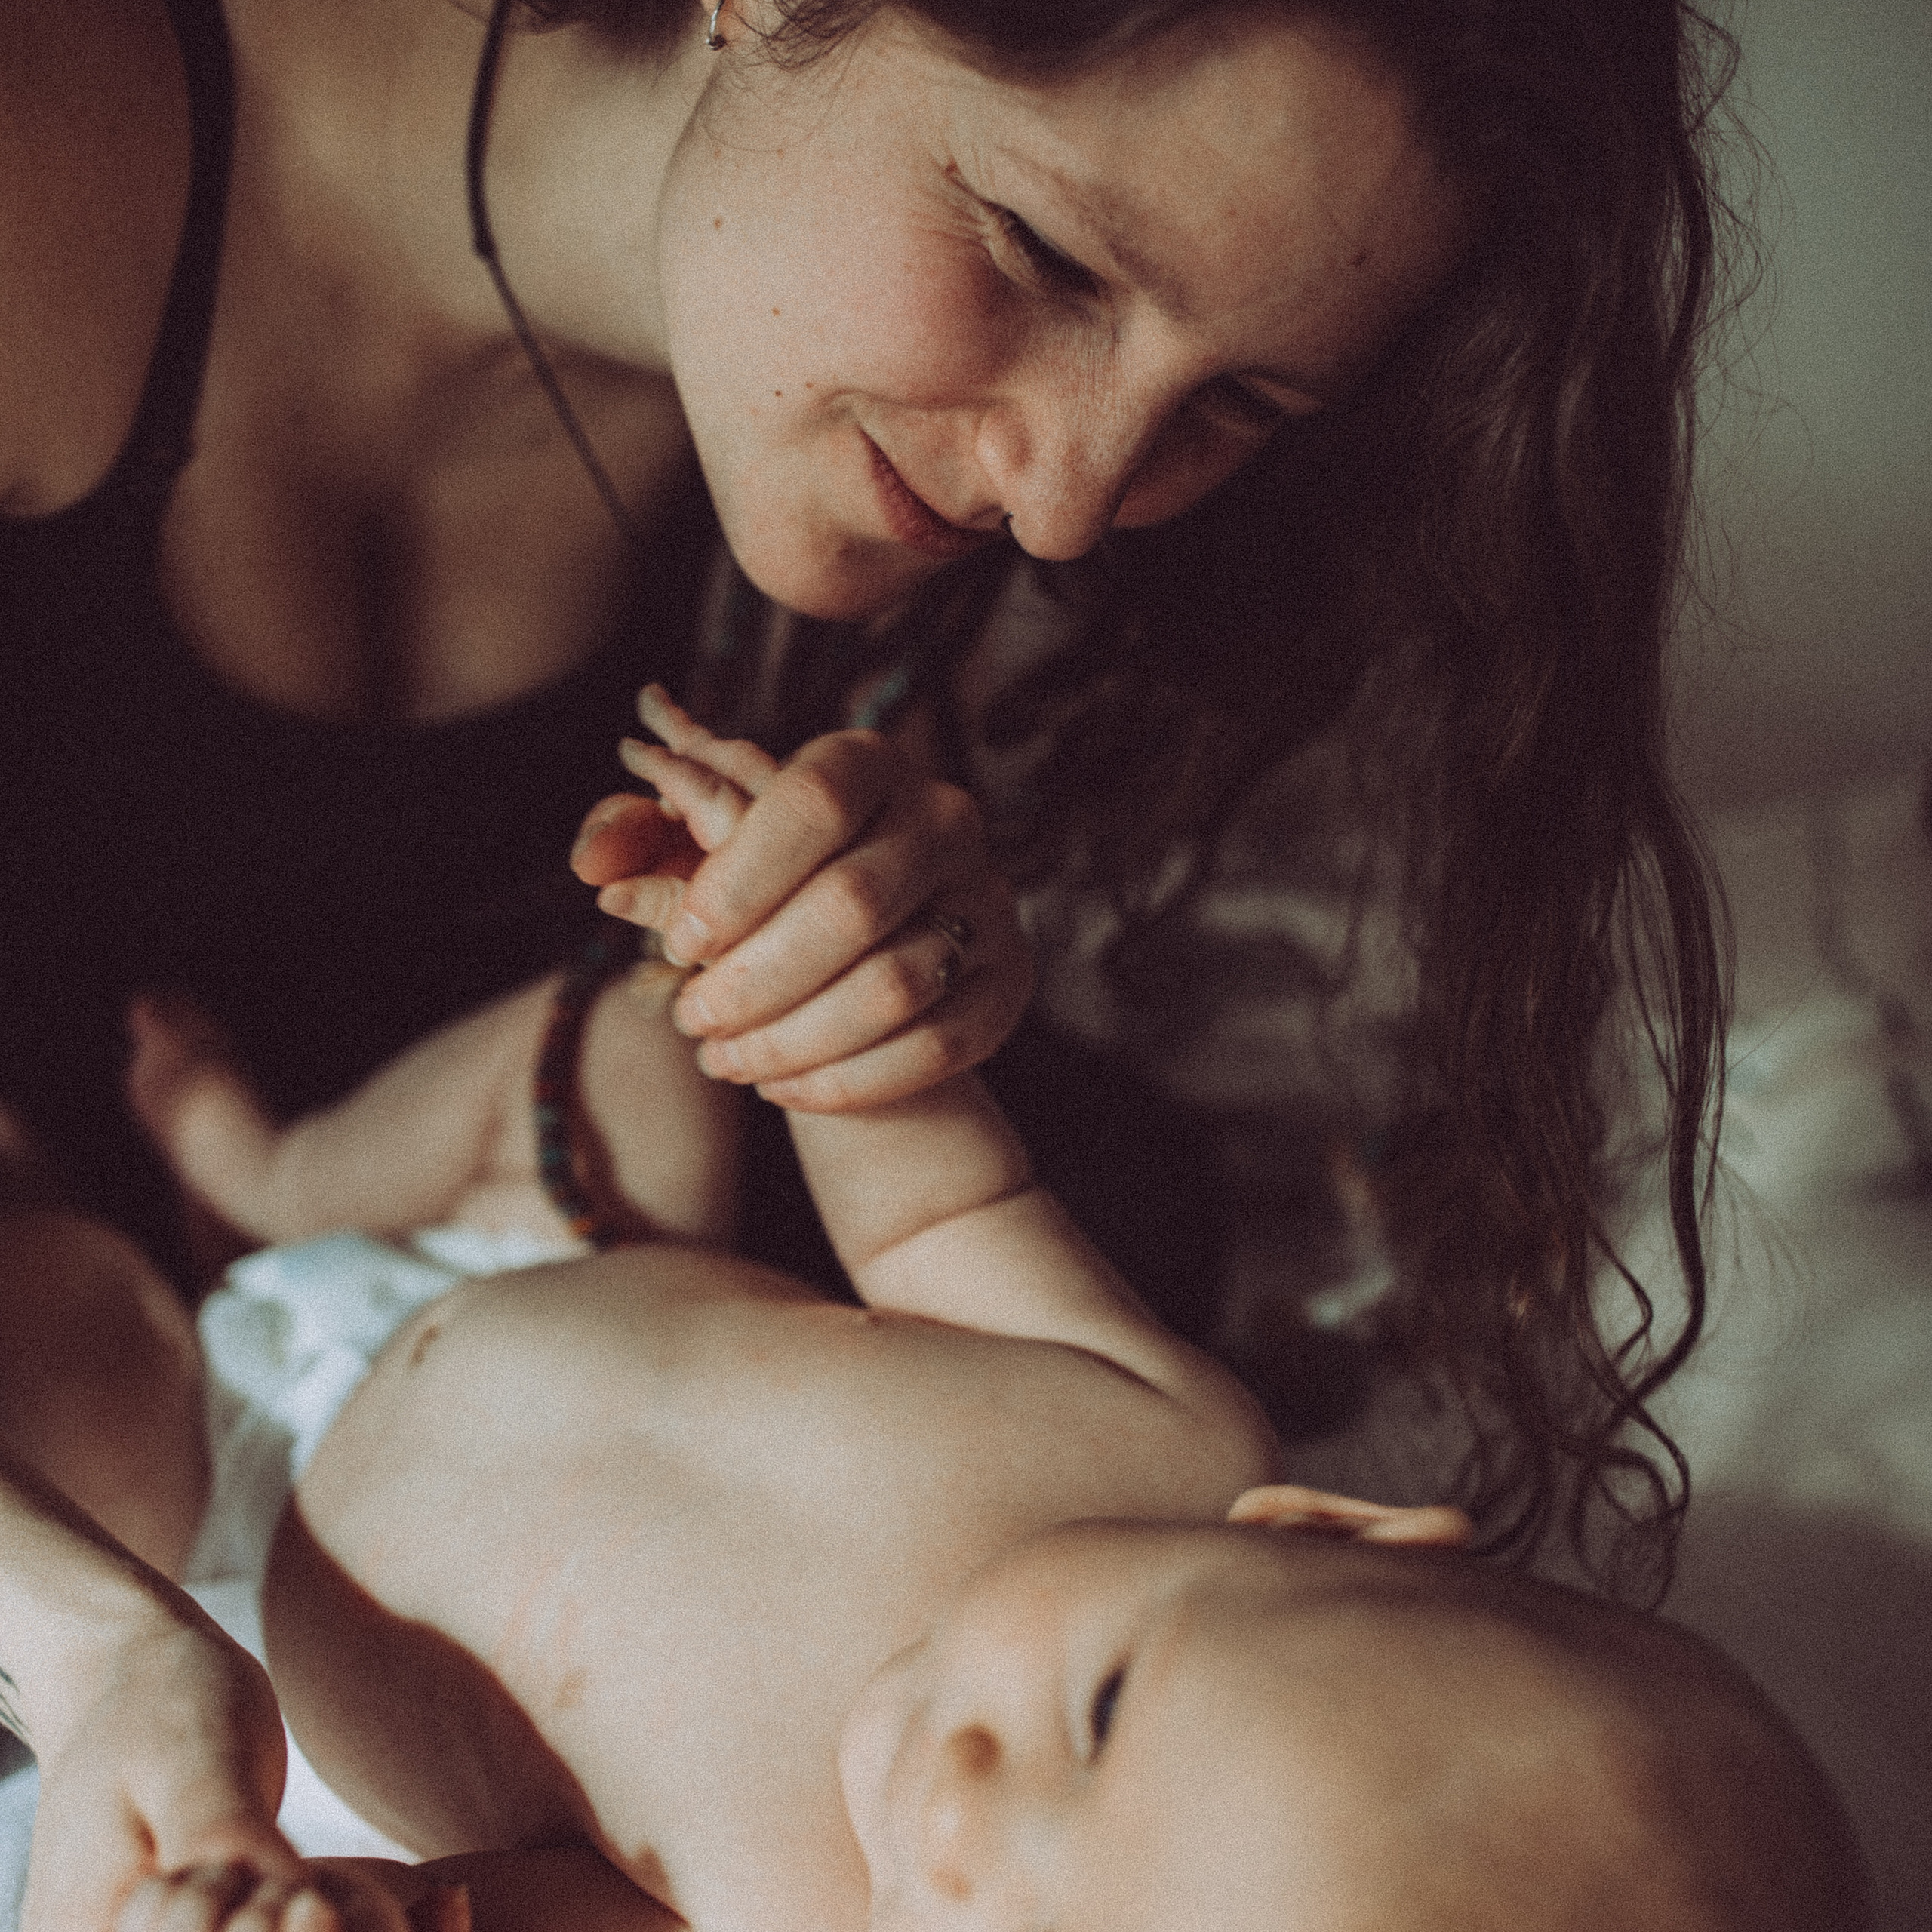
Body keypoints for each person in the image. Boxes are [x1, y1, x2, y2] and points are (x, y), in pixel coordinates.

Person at [2, 0, 1739, 1903]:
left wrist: (850, 957)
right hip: (322, 1238)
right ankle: (256, 1183)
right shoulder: (52, 156)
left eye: (1238, 403)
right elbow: (930, 1207)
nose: (1066, 504)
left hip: (342, 1475)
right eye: (1046, 253)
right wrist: (877, 1044)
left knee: (1006, 1149)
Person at [31, 709, 1864, 1932]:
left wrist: (333, 1912)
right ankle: (268, 1175)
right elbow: (939, 1208)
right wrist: (806, 991)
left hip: (236, 1565)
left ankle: (145, 1227)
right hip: (508, 1251)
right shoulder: (1153, 1435)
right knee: (652, 1050)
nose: (967, 1815)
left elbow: (489, 1902)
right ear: (1317, 1527)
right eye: (1104, 1712)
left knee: (63, 1346)